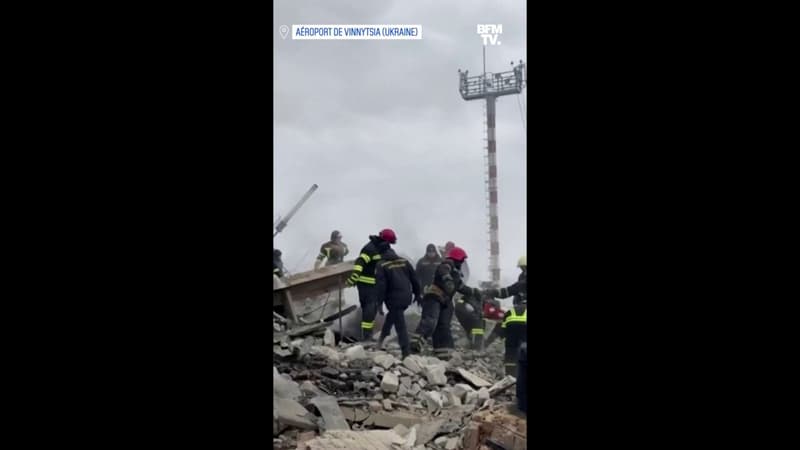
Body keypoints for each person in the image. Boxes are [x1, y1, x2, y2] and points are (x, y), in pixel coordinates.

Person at [410, 246, 483, 358]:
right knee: (430, 321)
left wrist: (475, 291)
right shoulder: (446, 265)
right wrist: (447, 280)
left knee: (443, 326)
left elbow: (462, 288)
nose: (462, 262)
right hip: (434, 297)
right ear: (457, 259)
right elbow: (444, 271)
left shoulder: (456, 274)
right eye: (462, 260)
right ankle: (413, 346)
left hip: (444, 301)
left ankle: (443, 353)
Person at [346, 229, 397, 340]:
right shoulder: (370, 249)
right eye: (389, 243)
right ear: (384, 240)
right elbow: (360, 263)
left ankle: (367, 334)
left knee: (372, 309)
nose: (389, 245)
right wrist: (354, 277)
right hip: (366, 284)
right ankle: (367, 336)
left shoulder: (383, 249)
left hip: (376, 285)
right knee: (370, 308)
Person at [375, 247, 421, 358]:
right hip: (406, 296)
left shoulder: (381, 264)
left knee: (400, 326)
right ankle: (381, 339)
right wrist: (417, 293)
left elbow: (381, 286)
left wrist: (379, 303)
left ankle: (406, 353)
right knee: (392, 316)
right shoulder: (403, 261)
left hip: (393, 298)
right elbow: (414, 278)